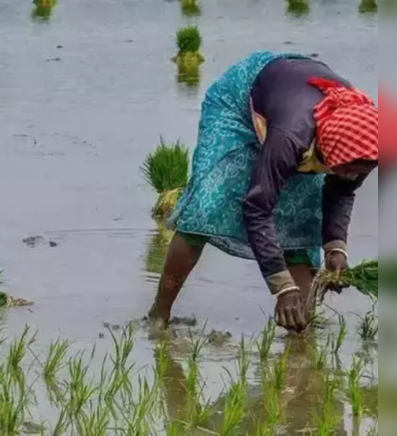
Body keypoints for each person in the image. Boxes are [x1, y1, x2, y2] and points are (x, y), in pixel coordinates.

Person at [149, 52, 379, 332]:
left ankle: (299, 337)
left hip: (297, 107)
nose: (353, 176)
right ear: (329, 150)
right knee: (209, 204)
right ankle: (159, 315)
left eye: (361, 170)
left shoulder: (365, 144)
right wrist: (281, 287)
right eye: (347, 169)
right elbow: (257, 207)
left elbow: (341, 192)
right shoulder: (291, 137)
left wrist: (335, 247)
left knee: (302, 214)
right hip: (240, 102)